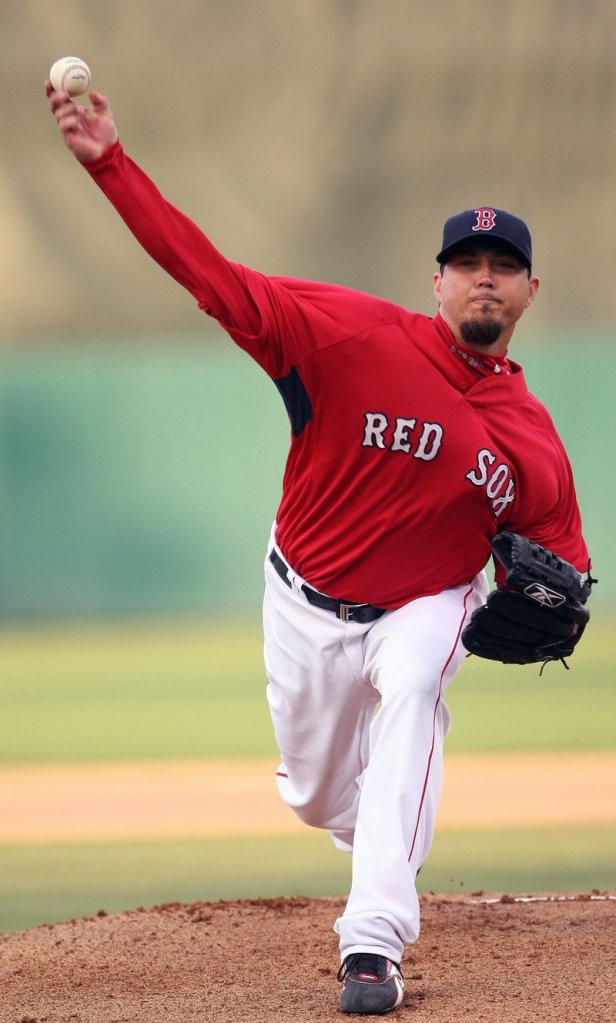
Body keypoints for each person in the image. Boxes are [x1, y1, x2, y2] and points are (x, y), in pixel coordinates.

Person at [46, 82, 590, 1016]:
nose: (485, 277)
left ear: (530, 290)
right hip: (303, 596)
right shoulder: (347, 334)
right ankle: (378, 826)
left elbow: (557, 567)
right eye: (467, 262)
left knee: (415, 688)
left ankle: (372, 943)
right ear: (436, 281)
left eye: (504, 265)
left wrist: (555, 602)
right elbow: (208, 275)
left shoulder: (534, 442)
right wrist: (110, 165)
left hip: (427, 603)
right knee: (315, 796)